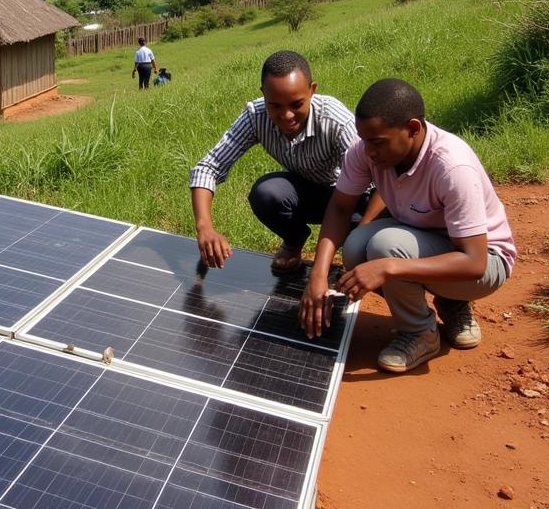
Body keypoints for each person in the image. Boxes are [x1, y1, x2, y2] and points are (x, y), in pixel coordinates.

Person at [300, 78, 516, 374]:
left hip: (485, 263)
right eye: (364, 140)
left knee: (385, 248)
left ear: (412, 129)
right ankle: (441, 307)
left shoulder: (452, 167)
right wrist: (318, 274)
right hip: (428, 242)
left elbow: (475, 262)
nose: (369, 152)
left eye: (377, 142)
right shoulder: (366, 150)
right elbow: (339, 207)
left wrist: (389, 267)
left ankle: (422, 332)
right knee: (356, 247)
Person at [191, 50, 377, 275]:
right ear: (263, 94)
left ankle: (356, 242)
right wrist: (205, 227)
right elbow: (208, 167)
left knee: (365, 248)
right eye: (275, 106)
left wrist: (360, 235)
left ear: (312, 90)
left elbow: (380, 179)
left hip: (355, 199)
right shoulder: (256, 116)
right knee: (267, 194)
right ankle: (294, 241)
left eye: (296, 104)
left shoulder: (335, 120)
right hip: (312, 194)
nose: (287, 115)